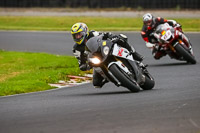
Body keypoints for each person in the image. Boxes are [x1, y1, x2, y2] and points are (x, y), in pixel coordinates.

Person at [71, 22, 144, 88]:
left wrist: (110, 36)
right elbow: (81, 61)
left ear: (85, 32)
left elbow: (103, 35)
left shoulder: (93, 34)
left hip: (104, 50)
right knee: (96, 83)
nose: (78, 37)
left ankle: (134, 54)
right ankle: (111, 77)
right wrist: (83, 66)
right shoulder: (76, 49)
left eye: (79, 34)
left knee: (122, 38)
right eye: (75, 36)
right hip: (96, 60)